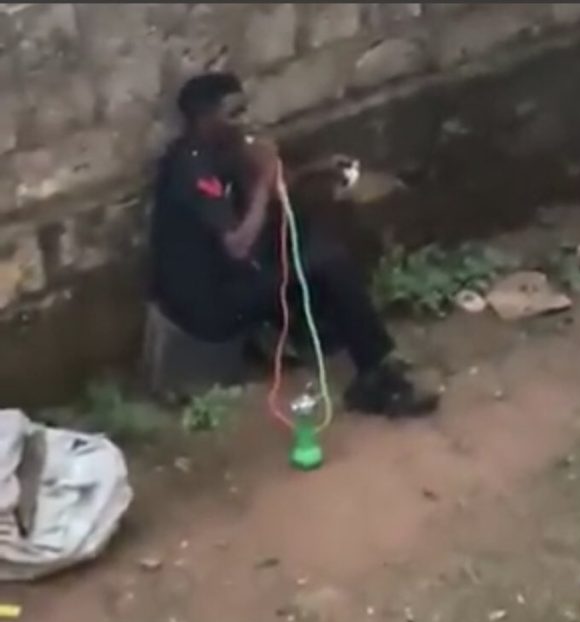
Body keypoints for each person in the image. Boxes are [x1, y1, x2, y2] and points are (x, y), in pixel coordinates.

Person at [150, 73, 439, 418]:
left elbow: (275, 192)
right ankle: (374, 375)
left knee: (312, 236)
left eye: (245, 110)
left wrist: (315, 170)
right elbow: (238, 245)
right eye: (234, 114)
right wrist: (263, 180)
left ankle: (341, 340)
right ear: (204, 118)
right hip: (207, 304)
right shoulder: (191, 168)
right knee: (329, 261)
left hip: (229, 274)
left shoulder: (220, 149)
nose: (244, 121)